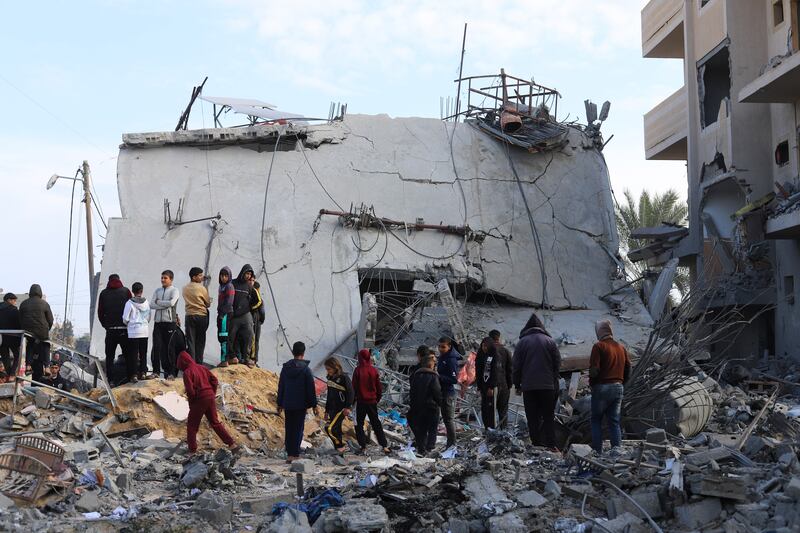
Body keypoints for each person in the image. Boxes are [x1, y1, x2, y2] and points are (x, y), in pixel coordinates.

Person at [512, 313, 561, 449]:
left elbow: (516, 366)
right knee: (548, 416)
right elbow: (557, 363)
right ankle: (551, 444)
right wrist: (553, 379)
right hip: (547, 386)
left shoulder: (522, 343)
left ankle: (536, 445)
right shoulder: (550, 341)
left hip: (529, 387)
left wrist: (517, 384)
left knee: (532, 417)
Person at [176, 351, 238, 454]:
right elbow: (214, 380)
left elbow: (190, 391)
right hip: (210, 397)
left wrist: (192, 403)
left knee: (192, 426)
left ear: (182, 363)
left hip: (199, 400)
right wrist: (212, 392)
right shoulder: (202, 367)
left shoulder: (187, 372)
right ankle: (232, 444)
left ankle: (192, 450)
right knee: (215, 422)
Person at [589, 320, 631, 455]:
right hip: (618, 387)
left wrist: (592, 384)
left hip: (602, 387)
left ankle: (597, 452)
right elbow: (628, 368)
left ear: (599, 332)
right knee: (614, 421)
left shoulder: (598, 346)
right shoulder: (621, 348)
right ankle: (616, 451)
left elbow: (594, 370)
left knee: (596, 420)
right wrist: (622, 382)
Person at [277, 341, 318, 461]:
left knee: (289, 428)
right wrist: (314, 405)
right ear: (303, 353)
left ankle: (290, 454)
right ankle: (295, 454)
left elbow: (281, 386)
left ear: (293, 352)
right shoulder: (306, 370)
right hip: (301, 405)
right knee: (298, 429)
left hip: (288, 403)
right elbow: (310, 389)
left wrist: (280, 403)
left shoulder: (285, 368)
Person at [352, 348, 390, 454]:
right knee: (376, 423)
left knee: (359, 424)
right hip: (372, 402)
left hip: (361, 402)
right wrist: (376, 399)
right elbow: (379, 387)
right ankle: (384, 445)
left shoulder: (357, 370)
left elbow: (354, 387)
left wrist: (352, 401)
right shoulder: (373, 370)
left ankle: (363, 446)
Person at [97, 274, 132, 386]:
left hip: (111, 330)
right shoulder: (126, 291)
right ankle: (130, 378)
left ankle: (110, 380)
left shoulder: (104, 293)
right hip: (124, 329)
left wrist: (106, 325)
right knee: (128, 355)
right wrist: (128, 324)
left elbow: (100, 312)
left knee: (110, 357)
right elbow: (132, 309)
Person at [18, 284, 53, 383]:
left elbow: (20, 318)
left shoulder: (23, 303)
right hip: (42, 330)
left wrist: (24, 328)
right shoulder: (44, 304)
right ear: (40, 292)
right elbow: (50, 319)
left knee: (30, 345)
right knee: (46, 345)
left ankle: (28, 366)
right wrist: (47, 329)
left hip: (27, 330)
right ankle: (47, 367)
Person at [408, 354, 442, 456]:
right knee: (432, 428)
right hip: (431, 407)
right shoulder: (433, 376)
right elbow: (437, 392)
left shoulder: (415, 376)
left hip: (418, 407)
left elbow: (412, 392)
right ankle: (430, 447)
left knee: (421, 428)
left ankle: (421, 448)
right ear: (431, 365)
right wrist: (440, 403)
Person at [150, 270, 180, 379]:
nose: (162, 280)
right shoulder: (157, 290)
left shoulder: (175, 290)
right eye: (162, 278)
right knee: (156, 347)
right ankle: (156, 371)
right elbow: (151, 305)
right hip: (158, 323)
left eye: (165, 278)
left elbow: (171, 303)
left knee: (169, 348)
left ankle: (171, 373)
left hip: (170, 323)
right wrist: (164, 305)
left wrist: (159, 302)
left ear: (171, 279)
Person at [122, 282, 151, 382]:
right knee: (143, 353)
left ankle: (134, 375)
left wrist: (129, 324)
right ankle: (143, 373)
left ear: (132, 291)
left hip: (133, 332)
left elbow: (125, 318)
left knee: (133, 354)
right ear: (141, 291)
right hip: (144, 331)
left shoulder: (129, 303)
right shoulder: (146, 303)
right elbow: (148, 317)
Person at [324, 357, 354, 454]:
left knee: (329, 428)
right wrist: (326, 411)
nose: (328, 371)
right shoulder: (330, 378)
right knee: (336, 429)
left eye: (329, 369)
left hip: (341, 408)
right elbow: (329, 395)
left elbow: (351, 392)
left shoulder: (344, 378)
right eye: (326, 369)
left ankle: (340, 446)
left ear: (335, 367)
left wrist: (348, 407)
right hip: (332, 408)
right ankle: (339, 450)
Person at [229, 264, 256, 366]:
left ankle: (246, 358)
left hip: (245, 315)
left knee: (249, 335)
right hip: (234, 315)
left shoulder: (249, 286)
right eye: (247, 273)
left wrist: (248, 308)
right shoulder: (233, 283)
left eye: (250, 274)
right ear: (242, 272)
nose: (248, 276)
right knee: (231, 336)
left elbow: (257, 300)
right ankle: (232, 356)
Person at [436, 336, 461, 448]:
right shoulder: (443, 357)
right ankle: (449, 443)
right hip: (442, 391)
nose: (440, 349)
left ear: (449, 347)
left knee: (448, 420)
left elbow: (454, 379)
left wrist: (439, 377)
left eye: (443, 347)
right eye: (439, 346)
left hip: (448, 393)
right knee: (445, 419)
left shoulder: (451, 359)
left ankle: (452, 444)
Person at [183, 267, 211, 364]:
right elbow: (208, 303)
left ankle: (192, 364)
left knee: (190, 341)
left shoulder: (185, 288)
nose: (202, 277)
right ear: (194, 277)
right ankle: (199, 364)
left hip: (189, 316)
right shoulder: (202, 288)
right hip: (201, 316)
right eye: (200, 275)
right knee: (200, 341)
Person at [489, 330, 513, 429]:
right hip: (504, 385)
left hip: (491, 386)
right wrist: (510, 385)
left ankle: (491, 432)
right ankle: (504, 432)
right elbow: (510, 370)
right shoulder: (506, 351)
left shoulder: (488, 351)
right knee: (503, 411)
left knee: (490, 411)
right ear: (499, 338)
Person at [475, 337, 500, 430]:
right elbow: (478, 371)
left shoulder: (494, 356)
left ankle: (492, 429)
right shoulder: (481, 356)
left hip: (490, 386)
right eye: (482, 346)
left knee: (490, 409)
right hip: (483, 386)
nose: (484, 348)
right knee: (484, 409)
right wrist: (479, 386)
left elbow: (495, 372)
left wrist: (491, 387)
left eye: (486, 346)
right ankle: (486, 428)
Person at [216, 267, 235, 367]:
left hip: (226, 314)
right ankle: (231, 357)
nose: (223, 277)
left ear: (229, 276)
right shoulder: (221, 286)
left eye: (226, 276)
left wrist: (222, 314)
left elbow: (229, 302)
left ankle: (224, 360)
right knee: (223, 336)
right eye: (222, 275)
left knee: (223, 336)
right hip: (221, 313)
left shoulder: (229, 286)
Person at [0, 293, 21, 380]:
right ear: (9, 300)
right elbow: (19, 323)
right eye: (14, 300)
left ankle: (9, 375)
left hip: (1, 338)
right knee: (18, 355)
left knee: (5, 358)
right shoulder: (14, 310)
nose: (15, 303)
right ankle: (12, 374)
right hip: (13, 337)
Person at [250, 281, 265, 366]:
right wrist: (261, 320)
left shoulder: (251, 299)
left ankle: (252, 358)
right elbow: (262, 312)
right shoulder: (259, 300)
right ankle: (254, 358)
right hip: (257, 320)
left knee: (253, 339)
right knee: (256, 339)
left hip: (254, 319)